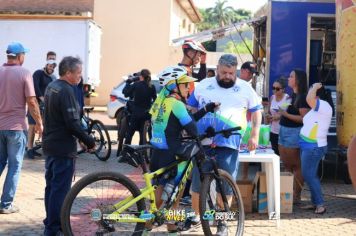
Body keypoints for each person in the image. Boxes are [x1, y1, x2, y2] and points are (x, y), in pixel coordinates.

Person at [187, 54, 262, 234]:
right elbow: (190, 108)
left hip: (230, 142)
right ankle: (199, 216)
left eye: (230, 73)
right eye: (223, 72)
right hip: (203, 141)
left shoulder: (245, 88)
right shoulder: (203, 85)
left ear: (235, 71)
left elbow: (256, 110)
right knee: (198, 186)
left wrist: (255, 135)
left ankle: (222, 223)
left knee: (225, 186)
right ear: (217, 69)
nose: (226, 76)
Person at [145, 66, 218, 235]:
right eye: (185, 85)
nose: (189, 88)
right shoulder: (176, 104)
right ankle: (146, 229)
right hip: (172, 156)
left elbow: (185, 119)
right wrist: (206, 133)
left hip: (157, 154)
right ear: (174, 85)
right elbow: (192, 128)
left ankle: (170, 228)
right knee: (174, 195)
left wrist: (206, 109)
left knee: (162, 195)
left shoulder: (160, 103)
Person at [42, 56, 96, 236]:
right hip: (63, 148)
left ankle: (50, 222)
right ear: (68, 72)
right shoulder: (66, 90)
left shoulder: (52, 86)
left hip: (51, 144)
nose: (81, 76)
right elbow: (72, 123)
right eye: (78, 73)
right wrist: (89, 140)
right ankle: (54, 227)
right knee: (60, 189)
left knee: (51, 187)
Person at [0, 42, 43, 214]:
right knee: (15, 166)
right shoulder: (24, 73)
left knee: (0, 163)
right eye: (24, 54)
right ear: (19, 56)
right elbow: (32, 101)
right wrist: (39, 123)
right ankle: (6, 204)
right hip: (16, 128)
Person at [299, 82, 332, 214]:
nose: (309, 93)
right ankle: (315, 203)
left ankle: (320, 204)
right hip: (310, 147)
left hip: (313, 147)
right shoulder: (318, 108)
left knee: (309, 175)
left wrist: (315, 86)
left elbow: (308, 98)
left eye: (311, 92)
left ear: (316, 95)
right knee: (310, 175)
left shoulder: (323, 105)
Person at [278, 69, 310, 204]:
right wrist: (275, 116)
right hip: (284, 131)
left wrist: (285, 115)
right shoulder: (292, 95)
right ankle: (287, 194)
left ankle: (296, 195)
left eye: (291, 76)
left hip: (294, 133)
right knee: (286, 165)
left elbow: (304, 119)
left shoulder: (303, 97)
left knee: (296, 165)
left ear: (297, 80)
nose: (288, 78)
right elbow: (286, 111)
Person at [26, 51, 57, 159]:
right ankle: (29, 149)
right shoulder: (38, 73)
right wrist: (42, 98)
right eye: (50, 58)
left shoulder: (53, 77)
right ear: (47, 59)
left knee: (43, 127)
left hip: (46, 107)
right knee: (32, 126)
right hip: (35, 104)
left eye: (54, 58)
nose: (52, 60)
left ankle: (44, 148)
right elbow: (35, 86)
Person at [123, 69, 157, 145]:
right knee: (143, 134)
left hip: (136, 114)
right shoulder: (152, 86)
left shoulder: (136, 84)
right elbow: (155, 100)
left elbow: (125, 93)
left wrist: (128, 82)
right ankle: (143, 152)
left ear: (141, 76)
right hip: (147, 114)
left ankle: (126, 151)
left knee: (130, 133)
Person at [239, 61, 258, 180]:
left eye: (253, 73)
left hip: (247, 124)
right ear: (243, 71)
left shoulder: (249, 87)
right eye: (250, 73)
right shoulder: (234, 84)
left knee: (246, 152)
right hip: (235, 124)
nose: (251, 76)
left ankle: (244, 180)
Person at [266, 77, 291, 155]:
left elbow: (282, 112)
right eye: (273, 88)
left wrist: (274, 117)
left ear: (283, 89)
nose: (274, 90)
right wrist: (268, 116)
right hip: (273, 130)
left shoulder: (287, 98)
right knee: (274, 152)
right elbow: (269, 112)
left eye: (277, 89)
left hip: (283, 131)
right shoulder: (272, 97)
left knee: (283, 153)